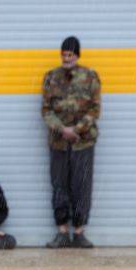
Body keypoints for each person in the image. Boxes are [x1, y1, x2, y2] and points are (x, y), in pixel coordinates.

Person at [41, 36, 101, 249]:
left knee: (82, 186)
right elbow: (46, 110)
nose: (66, 58)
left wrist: (77, 130)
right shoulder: (51, 78)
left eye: (70, 54)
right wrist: (62, 129)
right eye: (63, 54)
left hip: (82, 143)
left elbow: (95, 109)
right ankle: (62, 232)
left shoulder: (90, 77)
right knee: (59, 186)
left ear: (77, 55)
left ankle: (79, 232)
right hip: (58, 143)